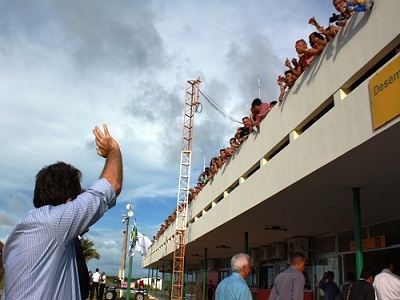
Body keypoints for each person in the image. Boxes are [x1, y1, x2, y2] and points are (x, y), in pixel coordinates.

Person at [2, 124, 123, 300]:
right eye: (79, 200)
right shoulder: (55, 223)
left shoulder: (25, 232)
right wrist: (113, 149)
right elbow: (112, 184)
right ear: (69, 204)